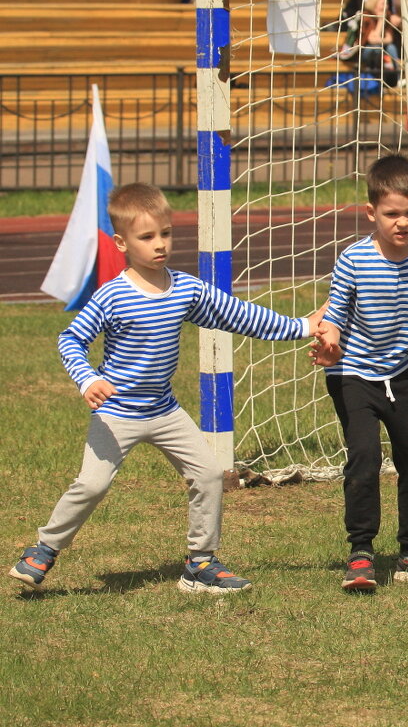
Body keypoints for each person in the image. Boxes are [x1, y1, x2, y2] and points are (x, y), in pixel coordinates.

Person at [8, 183, 326, 594]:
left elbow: (238, 315)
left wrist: (302, 326)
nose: (160, 244)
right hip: (116, 413)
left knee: (210, 474)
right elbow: (71, 340)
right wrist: (88, 378)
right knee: (92, 485)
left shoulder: (186, 289)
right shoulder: (111, 296)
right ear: (122, 242)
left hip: (164, 411)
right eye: (147, 237)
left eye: (166, 233)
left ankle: (200, 564)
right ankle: (43, 551)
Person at [315, 155, 408, 591]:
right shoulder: (353, 259)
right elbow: (335, 313)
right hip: (351, 376)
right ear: (371, 213)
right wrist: (329, 345)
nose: (403, 222)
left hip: (399, 375)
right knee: (364, 458)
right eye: (392, 214)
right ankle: (361, 552)